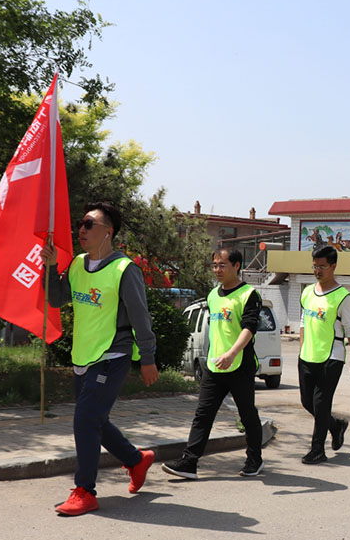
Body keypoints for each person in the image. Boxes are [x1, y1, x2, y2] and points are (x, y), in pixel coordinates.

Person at [41, 201, 157, 516]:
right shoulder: (78, 264)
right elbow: (56, 298)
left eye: (89, 224)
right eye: (80, 224)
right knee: (95, 420)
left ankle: (85, 491)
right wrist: (50, 266)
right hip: (84, 356)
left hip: (113, 354)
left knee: (85, 419)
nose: (82, 229)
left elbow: (141, 318)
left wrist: (147, 358)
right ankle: (136, 459)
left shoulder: (124, 269)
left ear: (108, 232)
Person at [162, 248, 265, 480]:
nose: (217, 269)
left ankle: (254, 459)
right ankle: (189, 462)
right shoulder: (212, 295)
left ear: (237, 266)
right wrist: (217, 356)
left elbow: (249, 328)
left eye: (222, 265)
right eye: (215, 265)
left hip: (240, 364)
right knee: (203, 414)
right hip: (214, 365)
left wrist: (232, 353)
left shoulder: (249, 294)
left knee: (247, 414)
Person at [298, 245, 350, 464]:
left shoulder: (343, 297)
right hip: (307, 356)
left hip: (331, 357)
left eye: (322, 267)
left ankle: (317, 450)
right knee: (307, 402)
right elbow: (303, 322)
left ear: (333, 267)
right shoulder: (307, 292)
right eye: (314, 266)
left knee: (321, 404)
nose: (317, 271)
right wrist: (302, 348)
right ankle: (336, 426)